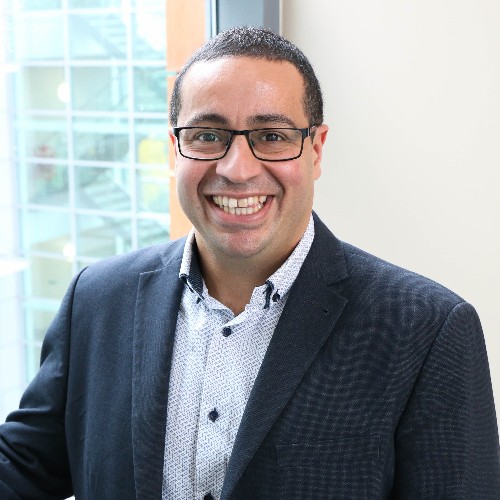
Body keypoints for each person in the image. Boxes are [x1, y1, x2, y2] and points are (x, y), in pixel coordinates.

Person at [1, 26, 499, 500]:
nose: (237, 169)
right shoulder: (97, 298)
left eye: (272, 136)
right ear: (176, 147)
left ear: (316, 150)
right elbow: (22, 468)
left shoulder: (427, 330)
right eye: (207, 135)